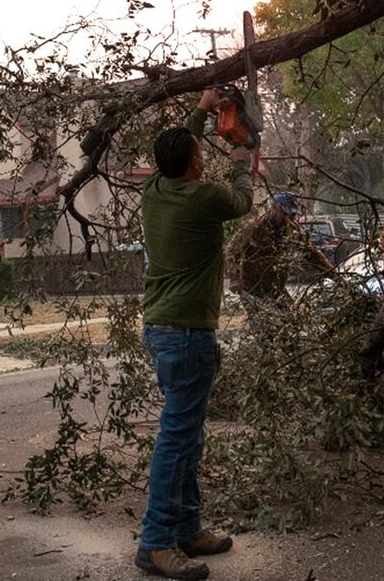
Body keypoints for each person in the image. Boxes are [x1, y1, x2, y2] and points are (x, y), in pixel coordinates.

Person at [136, 88, 254, 580]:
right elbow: (244, 201)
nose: (203, 154)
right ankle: (156, 544)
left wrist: (204, 111)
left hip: (162, 330)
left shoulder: (156, 191)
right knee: (177, 439)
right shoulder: (205, 197)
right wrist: (242, 155)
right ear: (194, 163)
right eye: (200, 152)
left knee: (187, 437)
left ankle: (188, 527)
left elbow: (181, 145)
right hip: (186, 335)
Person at [227, 192, 335, 304]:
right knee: (262, 319)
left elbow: (313, 254)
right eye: (284, 214)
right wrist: (234, 278)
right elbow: (232, 251)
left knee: (290, 316)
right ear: (274, 209)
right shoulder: (255, 227)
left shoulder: (293, 231)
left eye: (292, 215)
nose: (289, 219)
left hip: (275, 287)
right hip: (251, 287)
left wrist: (334, 276)